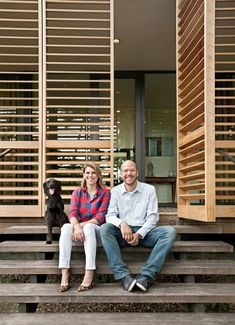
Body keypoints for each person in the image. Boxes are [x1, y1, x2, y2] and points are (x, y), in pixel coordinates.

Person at [100, 160, 176, 292]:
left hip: (144, 234)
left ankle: (145, 276)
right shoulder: (115, 191)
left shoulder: (149, 190)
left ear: (137, 172)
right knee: (105, 228)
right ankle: (123, 276)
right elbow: (110, 215)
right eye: (125, 171)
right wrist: (122, 223)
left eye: (132, 170)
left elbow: (153, 217)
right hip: (123, 234)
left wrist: (139, 234)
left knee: (169, 232)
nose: (129, 173)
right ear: (121, 173)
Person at [59, 162, 110, 292]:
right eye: (87, 172)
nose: (90, 175)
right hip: (79, 233)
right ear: (83, 175)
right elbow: (73, 212)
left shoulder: (105, 193)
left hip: (97, 233)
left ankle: (89, 272)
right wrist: (76, 227)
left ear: (98, 175)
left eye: (93, 172)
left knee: (88, 227)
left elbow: (101, 216)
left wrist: (79, 226)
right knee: (65, 227)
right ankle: (65, 272)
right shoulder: (77, 193)